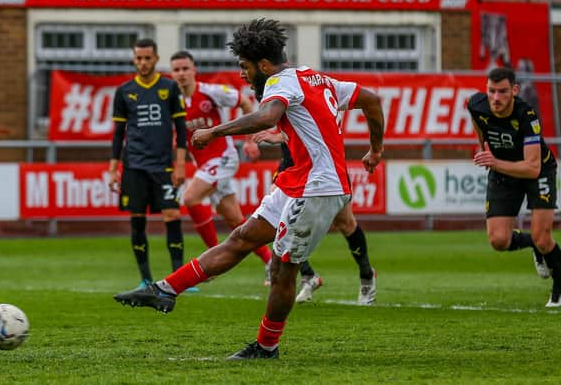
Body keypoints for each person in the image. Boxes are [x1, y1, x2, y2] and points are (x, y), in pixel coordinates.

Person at [114, 18, 384, 359]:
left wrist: (214, 132)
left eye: (244, 67)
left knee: (282, 269)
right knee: (242, 237)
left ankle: (266, 347)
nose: (242, 75)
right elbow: (372, 100)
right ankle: (165, 289)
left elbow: (268, 117)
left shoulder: (279, 83)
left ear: (264, 65)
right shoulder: (317, 79)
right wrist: (376, 149)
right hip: (297, 182)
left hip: (317, 188)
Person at [169, 50, 273, 284]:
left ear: (194, 70)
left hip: (223, 158)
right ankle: (271, 262)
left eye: (186, 68)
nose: (182, 74)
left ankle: (212, 261)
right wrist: (178, 166)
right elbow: (178, 138)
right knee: (236, 221)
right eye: (177, 70)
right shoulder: (173, 102)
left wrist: (249, 140)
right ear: (171, 73)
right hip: (204, 165)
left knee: (190, 197)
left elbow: (245, 103)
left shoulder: (210, 92)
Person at [467, 67, 561, 308]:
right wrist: (484, 148)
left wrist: (495, 162)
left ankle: (558, 287)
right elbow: (479, 125)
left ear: (514, 91)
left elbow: (532, 168)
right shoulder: (477, 105)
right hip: (502, 172)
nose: (495, 98)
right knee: (498, 240)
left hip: (538, 171)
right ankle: (534, 247)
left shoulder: (527, 116)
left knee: (543, 237)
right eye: (491, 91)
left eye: (502, 92)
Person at [108, 38, 195, 292]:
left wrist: (180, 165)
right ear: (134, 60)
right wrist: (113, 169)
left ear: (156, 59)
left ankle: (179, 278)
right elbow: (117, 134)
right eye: (138, 58)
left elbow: (180, 129)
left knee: (172, 214)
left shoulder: (169, 88)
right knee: (137, 219)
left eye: (147, 58)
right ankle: (145, 278)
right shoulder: (124, 91)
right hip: (134, 165)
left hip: (163, 166)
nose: (143, 63)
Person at [252, 130, 376, 304]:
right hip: (291, 166)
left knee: (345, 223)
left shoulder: (324, 104)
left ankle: (367, 276)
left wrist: (279, 136)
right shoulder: (276, 103)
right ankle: (308, 275)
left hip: (325, 168)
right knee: (277, 220)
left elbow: (315, 125)